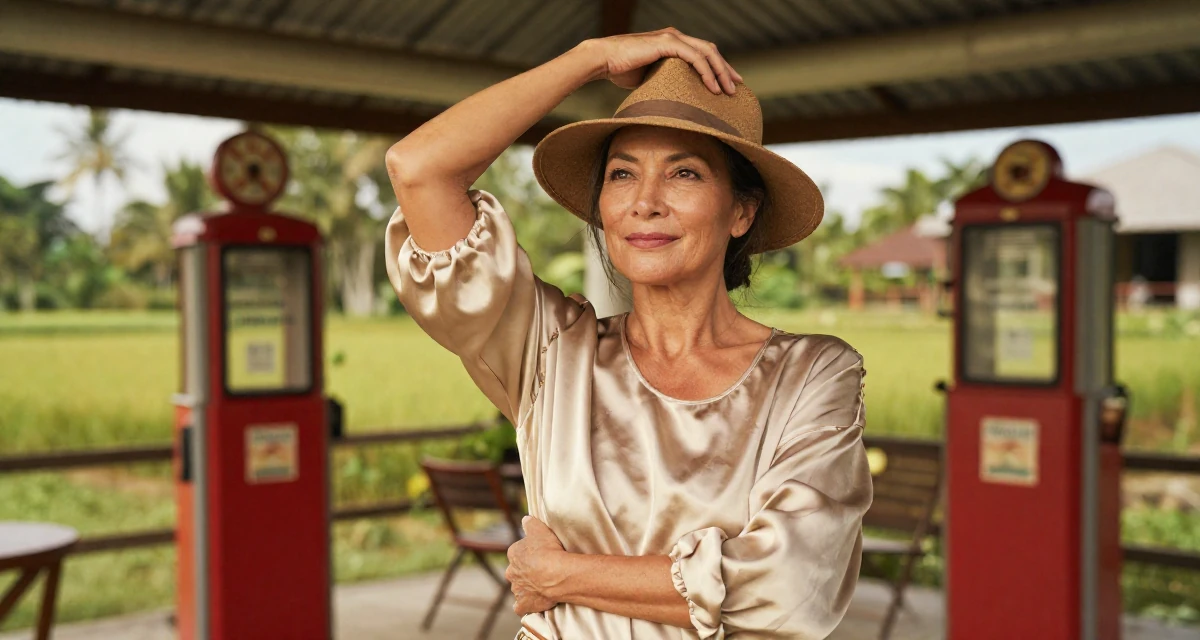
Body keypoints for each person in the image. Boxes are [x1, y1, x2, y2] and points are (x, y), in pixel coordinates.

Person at [384, 28, 872, 640]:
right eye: (621, 174)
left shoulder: (813, 374)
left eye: (684, 174)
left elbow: (794, 587)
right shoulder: (551, 352)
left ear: (741, 212)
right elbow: (418, 168)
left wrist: (558, 575)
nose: (645, 202)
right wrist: (590, 58)